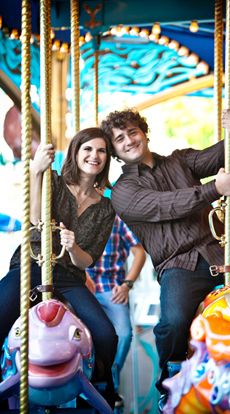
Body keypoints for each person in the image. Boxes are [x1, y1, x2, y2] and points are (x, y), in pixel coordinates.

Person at [101, 108, 230, 406]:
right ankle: (171, 380)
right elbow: (165, 205)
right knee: (173, 321)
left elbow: (219, 154)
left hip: (221, 248)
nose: (129, 140)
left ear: (144, 133)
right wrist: (213, 189)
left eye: (133, 132)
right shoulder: (123, 192)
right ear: (115, 151)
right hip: (180, 263)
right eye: (119, 139)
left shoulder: (180, 159)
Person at [0, 128, 118, 405]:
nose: (94, 155)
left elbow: (87, 260)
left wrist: (73, 246)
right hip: (31, 263)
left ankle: (99, 389)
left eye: (101, 150)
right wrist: (36, 170)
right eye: (87, 149)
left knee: (106, 335)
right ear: (76, 152)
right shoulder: (53, 182)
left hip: (68, 275)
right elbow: (34, 219)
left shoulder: (106, 208)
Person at [86, 215, 147, 392]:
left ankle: (111, 376)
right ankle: (87, 378)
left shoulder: (118, 221)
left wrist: (127, 284)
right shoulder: (76, 216)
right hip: (82, 287)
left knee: (124, 333)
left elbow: (140, 252)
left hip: (110, 287)